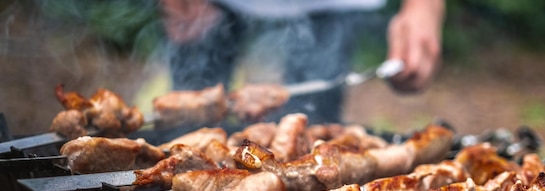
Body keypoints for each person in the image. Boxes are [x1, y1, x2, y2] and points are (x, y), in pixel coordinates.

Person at [160, 0, 445, 124]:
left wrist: (423, 5)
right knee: (185, 125)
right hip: (211, 4)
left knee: (312, 131)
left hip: (331, 6)